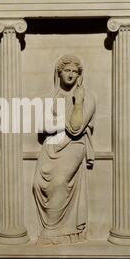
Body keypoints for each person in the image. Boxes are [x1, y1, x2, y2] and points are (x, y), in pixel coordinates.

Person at [33, 54, 96, 245]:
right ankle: (53, 229)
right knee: (38, 185)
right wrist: (63, 123)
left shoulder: (87, 97)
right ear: (58, 73)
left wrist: (77, 103)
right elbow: (43, 126)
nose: (70, 75)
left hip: (74, 146)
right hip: (51, 146)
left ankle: (54, 232)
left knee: (59, 182)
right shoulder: (49, 98)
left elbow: (76, 128)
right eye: (67, 70)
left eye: (75, 72)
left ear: (79, 76)